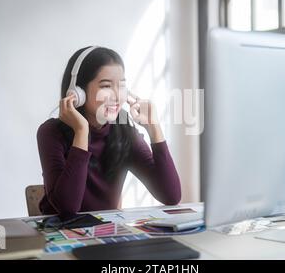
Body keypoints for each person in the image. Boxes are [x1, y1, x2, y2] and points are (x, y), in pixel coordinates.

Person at [36, 46, 181, 217]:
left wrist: (154, 127)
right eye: (106, 86)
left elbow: (171, 196)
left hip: (105, 234)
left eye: (121, 86)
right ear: (78, 93)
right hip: (59, 235)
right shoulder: (51, 132)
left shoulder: (124, 132)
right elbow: (68, 208)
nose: (116, 96)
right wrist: (81, 131)